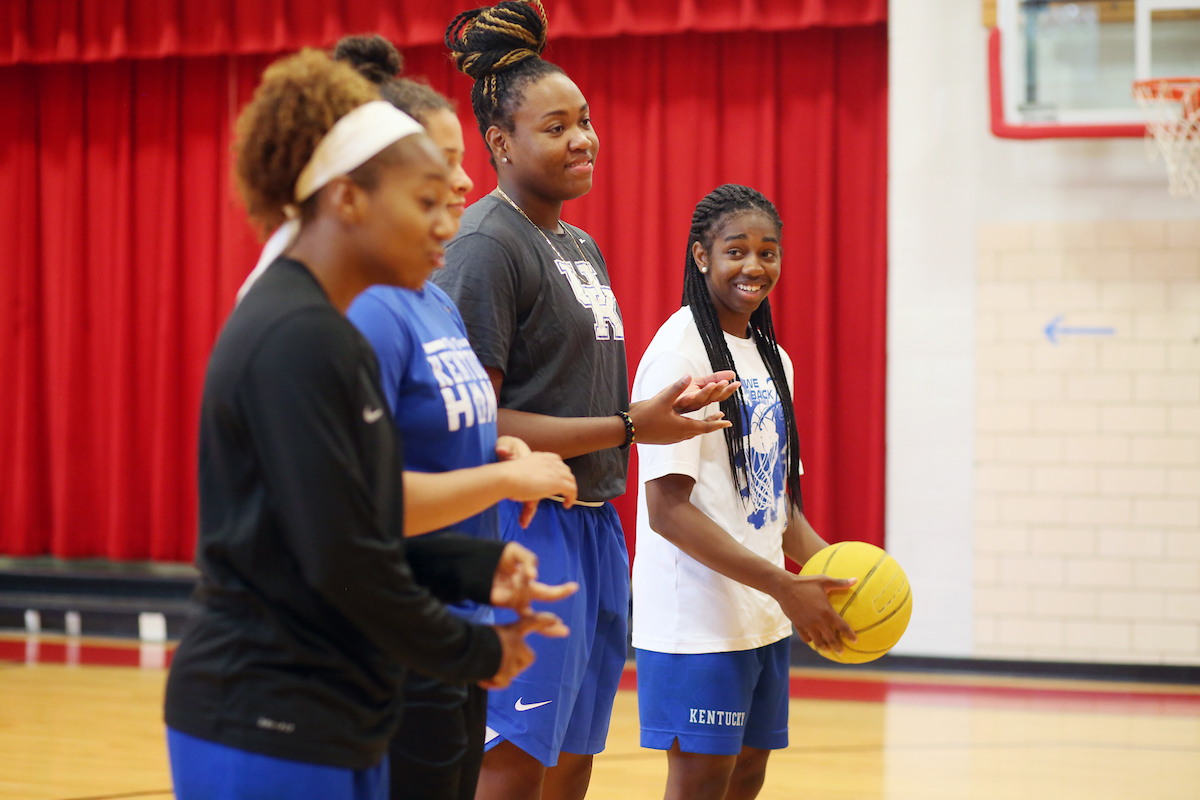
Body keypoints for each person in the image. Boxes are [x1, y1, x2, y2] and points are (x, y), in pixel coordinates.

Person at [163, 49, 574, 800]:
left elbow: (364, 516)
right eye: (423, 202)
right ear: (349, 199)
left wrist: (475, 570)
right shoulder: (298, 333)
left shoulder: (329, 329)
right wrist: (476, 649)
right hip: (263, 715)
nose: (445, 221)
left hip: (328, 709)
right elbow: (341, 558)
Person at [435, 3, 741, 799]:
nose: (583, 138)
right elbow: (476, 421)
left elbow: (586, 394)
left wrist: (655, 413)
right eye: (557, 126)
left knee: (573, 758)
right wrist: (633, 424)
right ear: (500, 143)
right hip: (523, 525)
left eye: (587, 121)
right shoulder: (485, 246)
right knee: (513, 762)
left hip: (595, 523)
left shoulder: (577, 243)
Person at [333, 34, 576, 800]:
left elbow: (437, 430)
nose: (465, 185)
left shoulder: (433, 298)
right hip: (395, 631)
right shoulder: (368, 311)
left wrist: (490, 448)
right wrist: (507, 471)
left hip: (461, 613)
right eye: (441, 173)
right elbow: (362, 497)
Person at [631, 185, 858, 800]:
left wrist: (844, 579)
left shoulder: (774, 358)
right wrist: (786, 586)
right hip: (696, 621)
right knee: (701, 784)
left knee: (748, 775)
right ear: (701, 256)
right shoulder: (678, 353)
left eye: (768, 252)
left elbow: (776, 508)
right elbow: (666, 512)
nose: (755, 267)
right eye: (736, 251)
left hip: (760, 615)